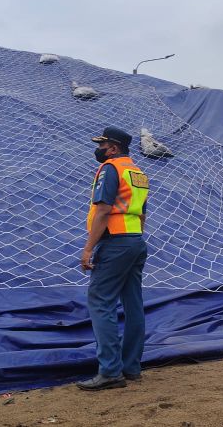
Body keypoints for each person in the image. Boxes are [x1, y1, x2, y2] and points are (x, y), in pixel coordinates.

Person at [77, 126, 149, 391]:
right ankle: (131, 367)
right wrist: (134, 241)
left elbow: (104, 209)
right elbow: (141, 213)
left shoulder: (110, 169)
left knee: (100, 300)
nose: (99, 150)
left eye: (103, 145)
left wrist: (88, 249)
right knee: (133, 303)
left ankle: (109, 371)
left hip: (115, 242)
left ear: (114, 148)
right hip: (135, 241)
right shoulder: (138, 173)